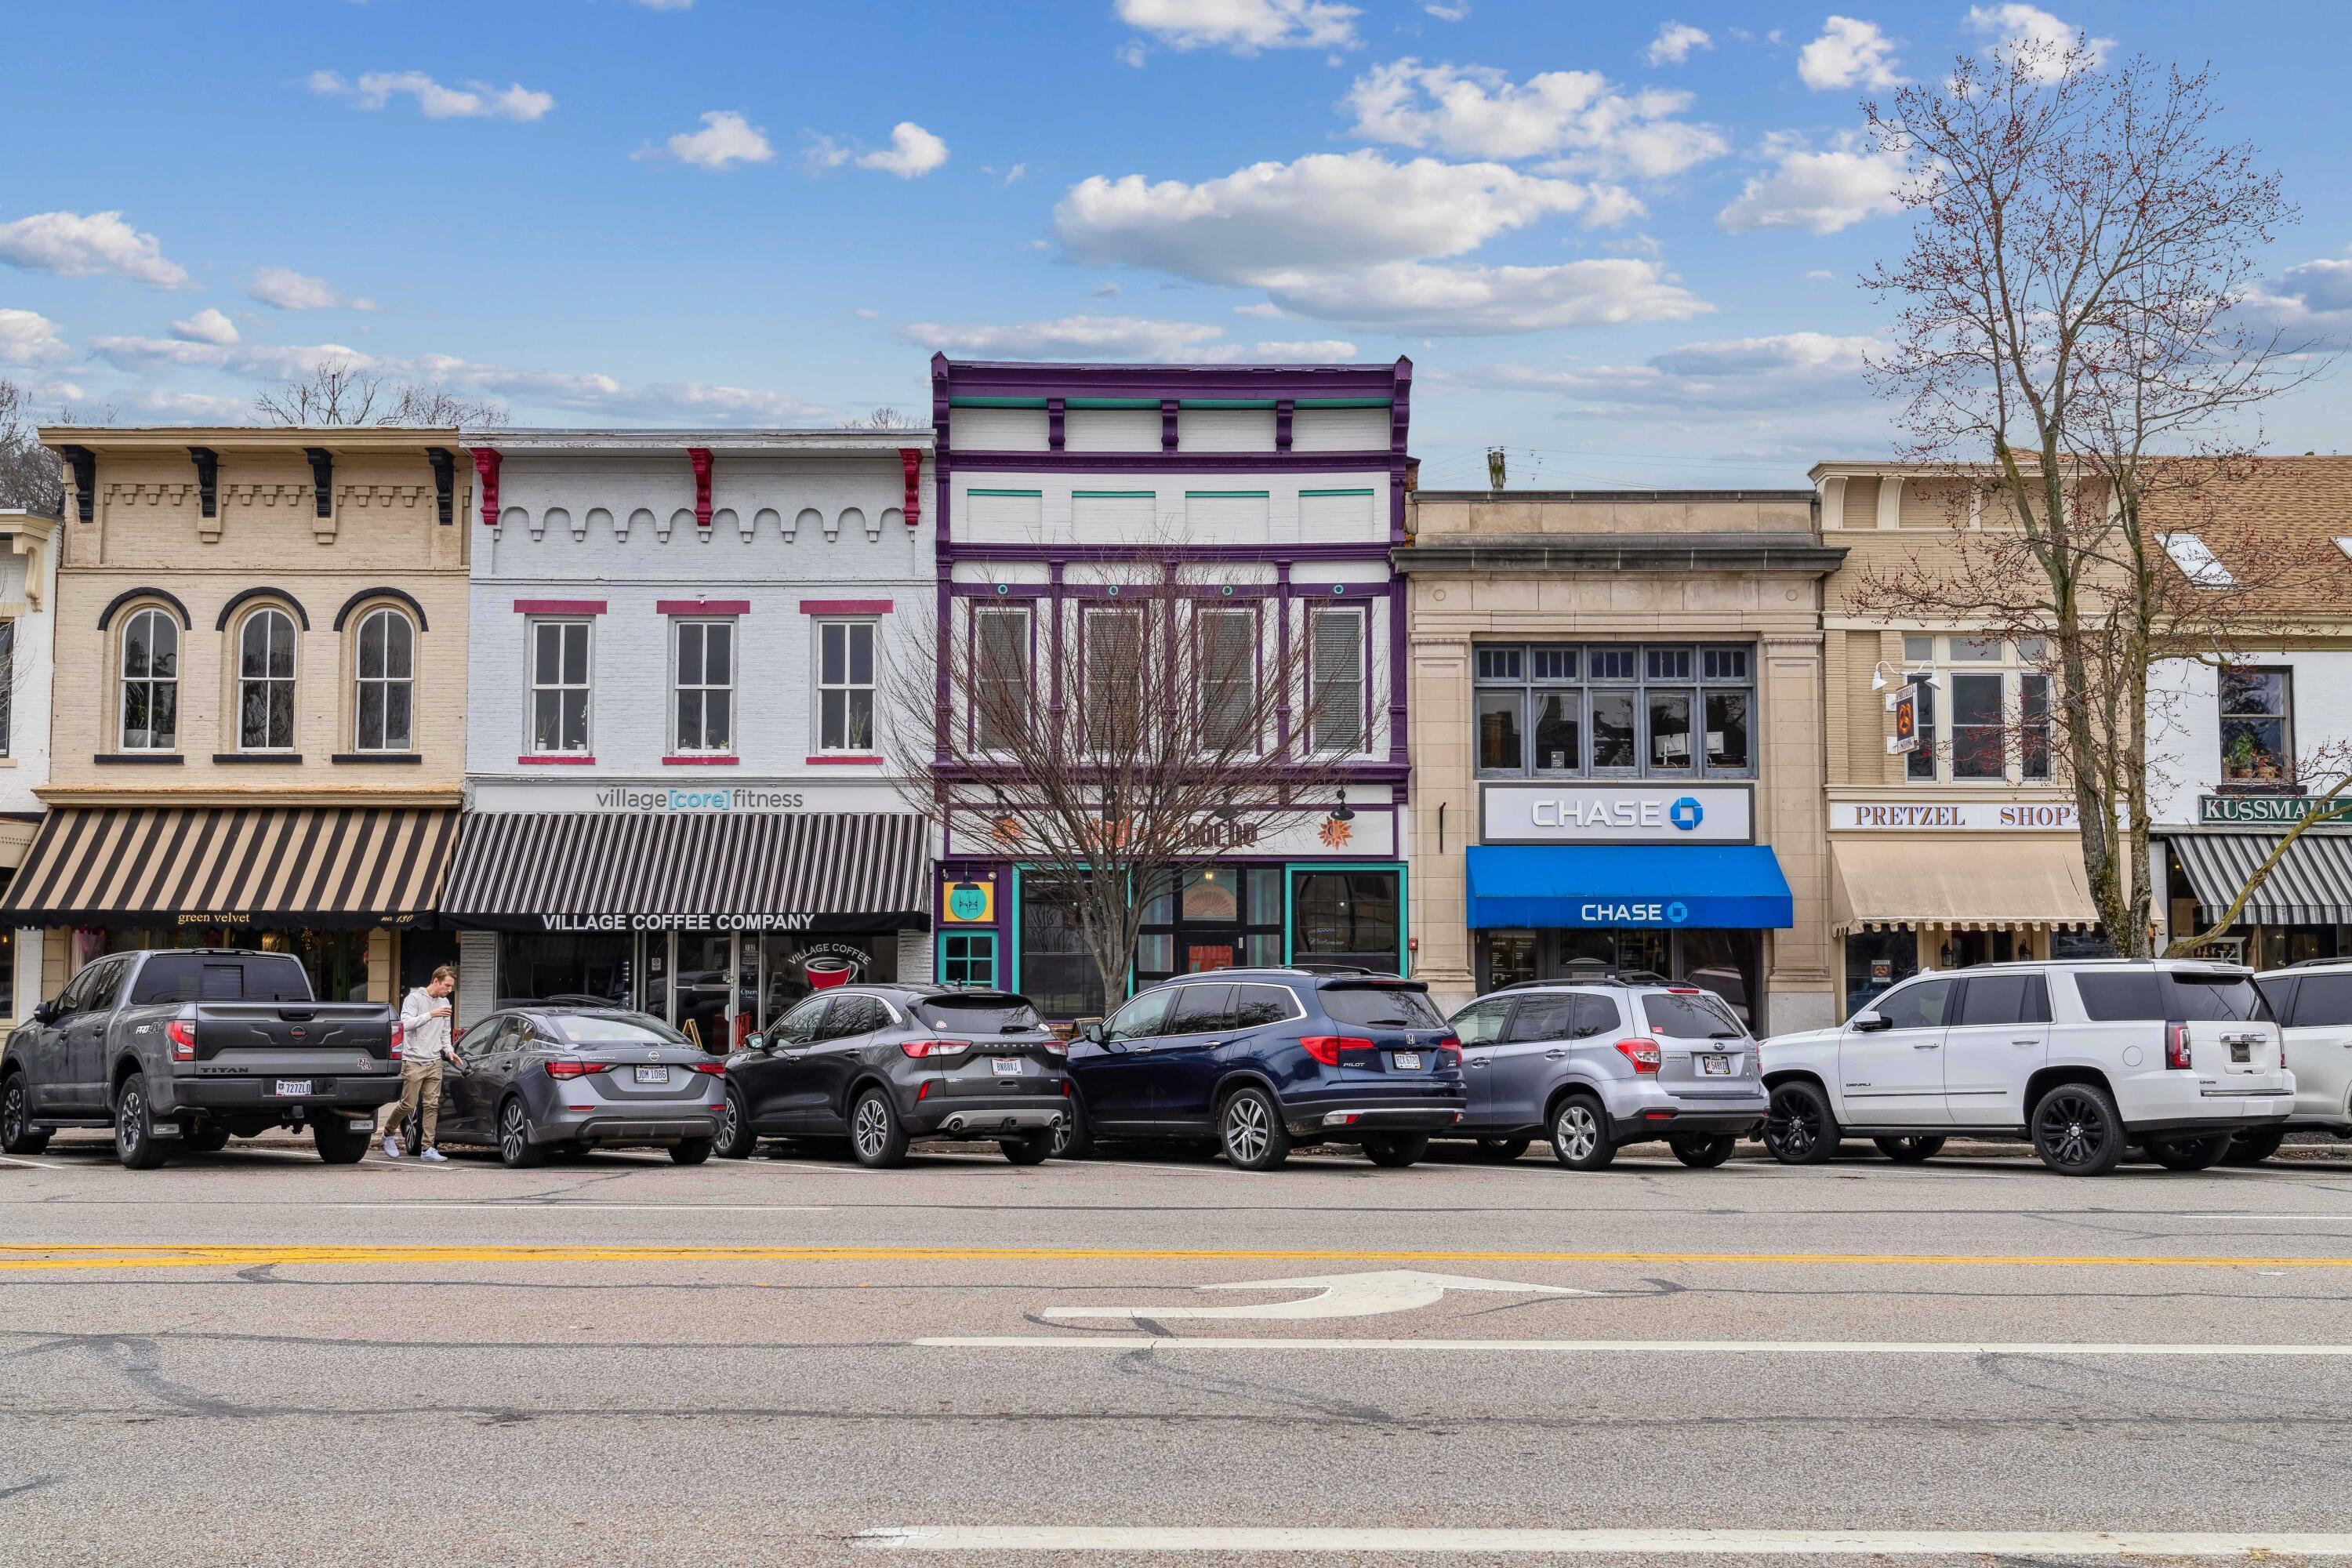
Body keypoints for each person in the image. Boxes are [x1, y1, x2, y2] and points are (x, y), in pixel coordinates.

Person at [383, 966, 460, 1163]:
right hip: (414, 1060)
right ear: (436, 981)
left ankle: (428, 1148)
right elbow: (404, 1024)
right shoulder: (414, 999)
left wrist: (449, 1051)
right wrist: (431, 1015)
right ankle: (388, 1133)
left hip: (435, 1060)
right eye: (447, 985)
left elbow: (444, 1032)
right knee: (408, 1104)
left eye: (451, 986)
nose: (449, 989)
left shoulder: (445, 1003)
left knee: (432, 1105)